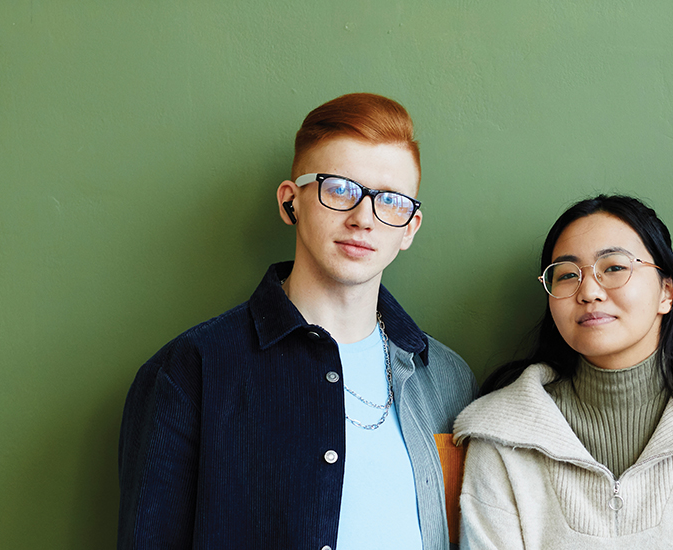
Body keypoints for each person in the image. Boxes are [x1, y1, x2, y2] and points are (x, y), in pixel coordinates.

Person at [118, 93, 476, 550]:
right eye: (340, 189)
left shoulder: (448, 380)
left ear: (410, 227)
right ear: (291, 202)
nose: (363, 218)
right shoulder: (191, 371)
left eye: (390, 200)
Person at [453, 195, 673, 549]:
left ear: (667, 293)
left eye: (613, 267)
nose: (589, 292)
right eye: (567, 275)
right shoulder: (500, 435)